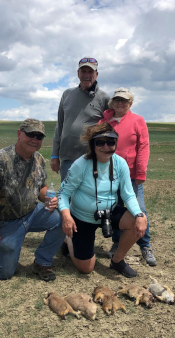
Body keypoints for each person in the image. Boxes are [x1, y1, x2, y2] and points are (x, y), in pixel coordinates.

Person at [0, 118, 65, 281]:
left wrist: (48, 199)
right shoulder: (0, 160)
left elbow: (40, 187)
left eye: (39, 137)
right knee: (4, 273)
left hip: (32, 213)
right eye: (31, 134)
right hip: (6, 222)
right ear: (19, 134)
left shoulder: (39, 159)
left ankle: (42, 261)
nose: (35, 140)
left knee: (62, 218)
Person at [57, 123, 147, 278]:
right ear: (92, 145)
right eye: (100, 142)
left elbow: (128, 194)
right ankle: (68, 240)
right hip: (82, 217)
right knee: (86, 268)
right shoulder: (81, 164)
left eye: (111, 142)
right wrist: (66, 216)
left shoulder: (120, 163)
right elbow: (63, 193)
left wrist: (139, 215)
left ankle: (117, 261)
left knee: (138, 220)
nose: (106, 147)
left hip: (109, 213)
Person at [98, 88, 156, 266]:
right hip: (109, 175)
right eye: (117, 100)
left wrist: (140, 172)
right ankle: (117, 242)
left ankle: (145, 245)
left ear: (130, 103)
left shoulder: (138, 120)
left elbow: (143, 147)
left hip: (131, 174)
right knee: (116, 209)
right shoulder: (104, 121)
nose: (120, 103)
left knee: (139, 209)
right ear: (112, 102)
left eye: (124, 100)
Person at [51, 56, 110, 182]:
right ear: (78, 73)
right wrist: (55, 155)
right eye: (83, 71)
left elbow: (111, 128)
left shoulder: (104, 98)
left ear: (97, 74)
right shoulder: (67, 94)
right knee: (67, 196)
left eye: (90, 72)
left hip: (92, 158)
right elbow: (60, 126)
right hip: (68, 158)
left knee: (90, 197)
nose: (86, 75)